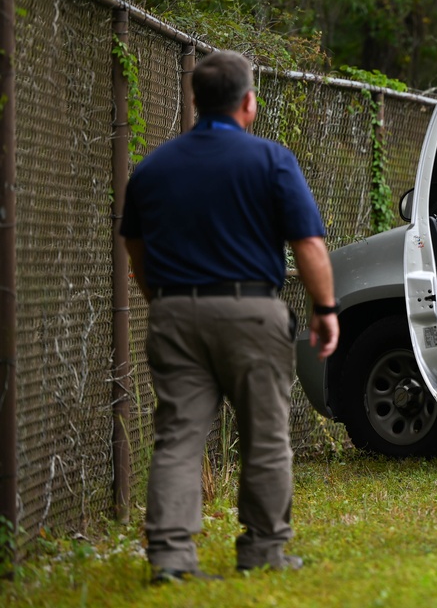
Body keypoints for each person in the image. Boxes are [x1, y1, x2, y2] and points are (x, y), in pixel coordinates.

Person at [119, 50, 339, 583]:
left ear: (195, 102)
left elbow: (136, 249)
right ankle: (264, 549)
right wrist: (325, 308)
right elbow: (307, 244)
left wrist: (163, 303)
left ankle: (170, 557)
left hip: (174, 311)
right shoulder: (271, 161)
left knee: (177, 438)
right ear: (248, 102)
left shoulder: (152, 168)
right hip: (250, 311)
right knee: (265, 434)